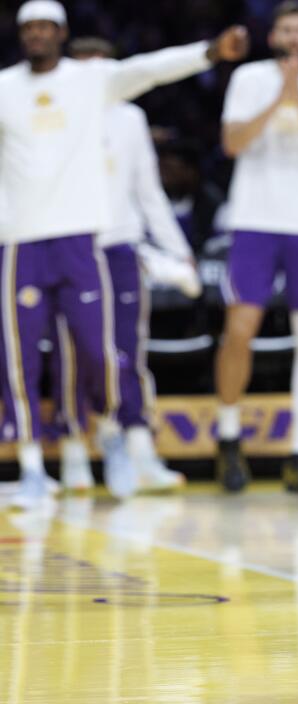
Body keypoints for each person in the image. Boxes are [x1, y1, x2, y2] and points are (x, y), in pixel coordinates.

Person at [0, 0, 248, 508]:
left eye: (47, 27)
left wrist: (208, 53)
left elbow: (150, 69)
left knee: (100, 350)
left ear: (62, 34)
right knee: (19, 359)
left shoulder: (92, 83)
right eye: (30, 29)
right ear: (21, 35)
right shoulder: (3, 87)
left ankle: (113, 432)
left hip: (81, 240)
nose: (38, 35)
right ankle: (30, 467)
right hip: (20, 241)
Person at [48, 37, 195, 495]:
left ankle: (139, 449)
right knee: (73, 351)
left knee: (128, 350)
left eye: (104, 67)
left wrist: (177, 248)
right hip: (69, 244)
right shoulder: (56, 116)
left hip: (120, 247)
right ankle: (75, 452)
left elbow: (148, 191)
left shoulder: (131, 118)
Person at [215, 1, 298, 493]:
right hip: (253, 218)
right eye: (285, 28)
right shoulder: (248, 78)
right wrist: (280, 95)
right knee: (240, 328)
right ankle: (228, 439)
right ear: (273, 36)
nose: (293, 36)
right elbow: (234, 142)